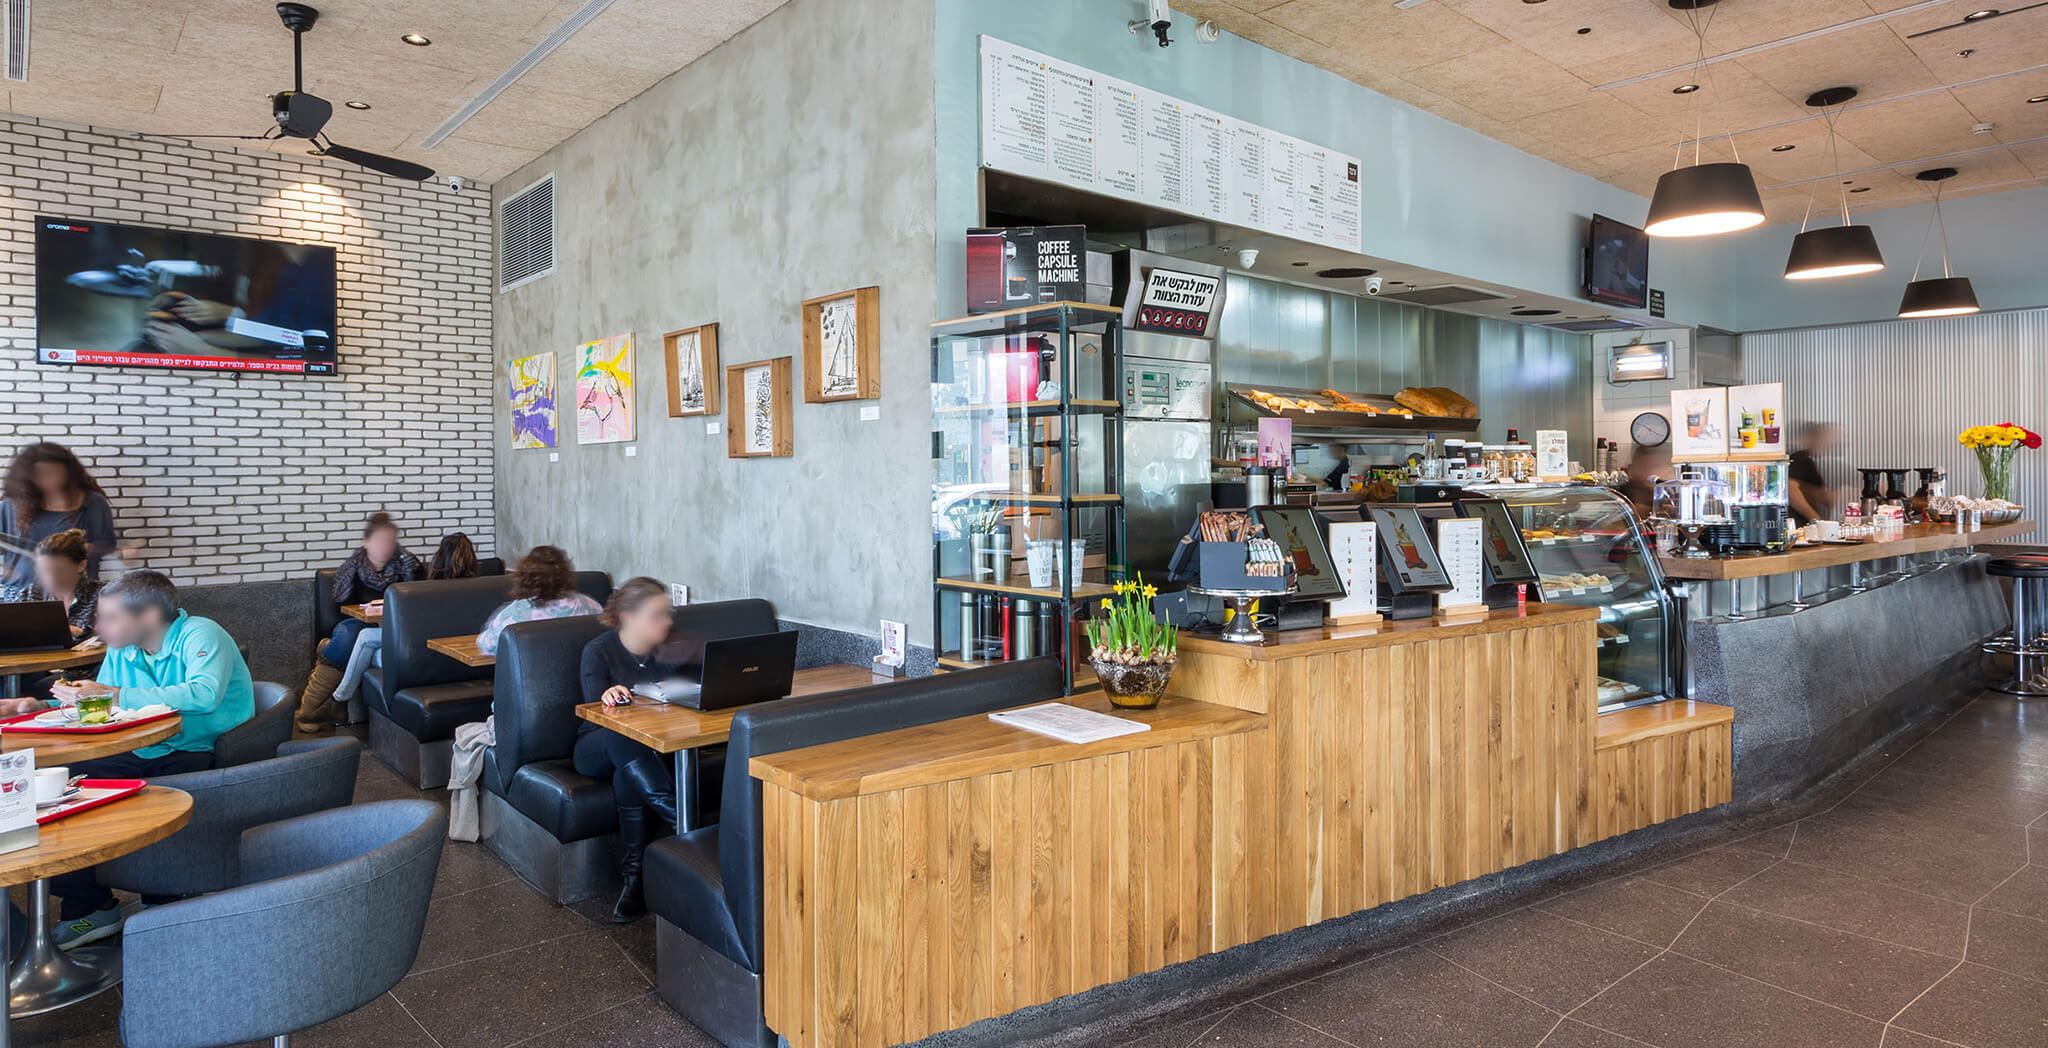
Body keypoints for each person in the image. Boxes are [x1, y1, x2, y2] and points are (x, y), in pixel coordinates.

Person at [24, 570, 255, 947]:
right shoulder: (123, 648)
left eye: (111, 617)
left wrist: (113, 694)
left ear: (147, 615)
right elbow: (103, 701)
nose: (99, 625)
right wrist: (40, 704)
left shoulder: (201, 633)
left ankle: (166, 906)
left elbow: (203, 695)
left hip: (202, 748)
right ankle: (89, 909)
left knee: (156, 796)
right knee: (58, 785)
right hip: (143, 746)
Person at [576, 577, 699, 922]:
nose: (667, 622)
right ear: (629, 616)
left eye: (668, 614)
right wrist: (610, 695)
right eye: (657, 615)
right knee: (624, 736)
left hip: (648, 749)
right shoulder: (598, 650)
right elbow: (596, 711)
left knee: (627, 776)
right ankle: (685, 826)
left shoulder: (673, 649)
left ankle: (634, 881)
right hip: (595, 745)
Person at [296, 512, 422, 735]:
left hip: (394, 628)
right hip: (357, 625)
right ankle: (308, 710)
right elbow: (340, 601)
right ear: (366, 542)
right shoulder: (354, 567)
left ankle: (326, 704)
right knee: (348, 634)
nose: (385, 546)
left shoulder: (407, 565)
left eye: (390, 541)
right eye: (380, 541)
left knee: (353, 638)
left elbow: (418, 597)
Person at [330, 532, 482, 715]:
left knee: (366, 643)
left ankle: (338, 700)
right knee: (366, 644)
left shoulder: (429, 590)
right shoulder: (483, 587)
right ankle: (338, 700)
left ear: (439, 557)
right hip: (462, 661)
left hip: (425, 660)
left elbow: (412, 631)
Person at [0, 442, 117, 601]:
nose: (49, 480)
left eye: (55, 473)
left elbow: (107, 543)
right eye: (40, 474)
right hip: (18, 592)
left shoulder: (91, 502)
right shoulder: (11, 505)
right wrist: (6, 569)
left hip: (74, 596)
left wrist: (83, 548)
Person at [476, 546, 600, 655]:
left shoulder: (517, 613)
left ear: (526, 577)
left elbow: (487, 644)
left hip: (534, 678)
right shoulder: (589, 604)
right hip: (585, 677)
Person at [1788, 422, 1843, 526]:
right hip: (1800, 526)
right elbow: (1790, 489)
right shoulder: (1801, 458)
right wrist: (1816, 519)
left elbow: (1815, 493)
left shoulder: (1817, 461)